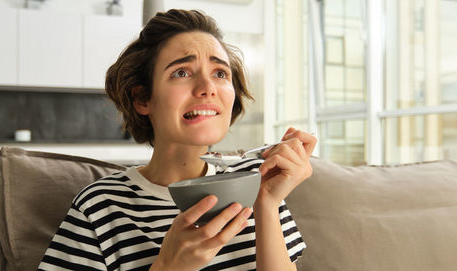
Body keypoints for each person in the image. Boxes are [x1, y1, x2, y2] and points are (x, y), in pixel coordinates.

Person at [39, 9, 317, 271]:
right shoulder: (100, 206)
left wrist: (267, 204)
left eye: (220, 73)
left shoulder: (257, 184)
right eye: (181, 72)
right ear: (142, 99)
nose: (208, 88)